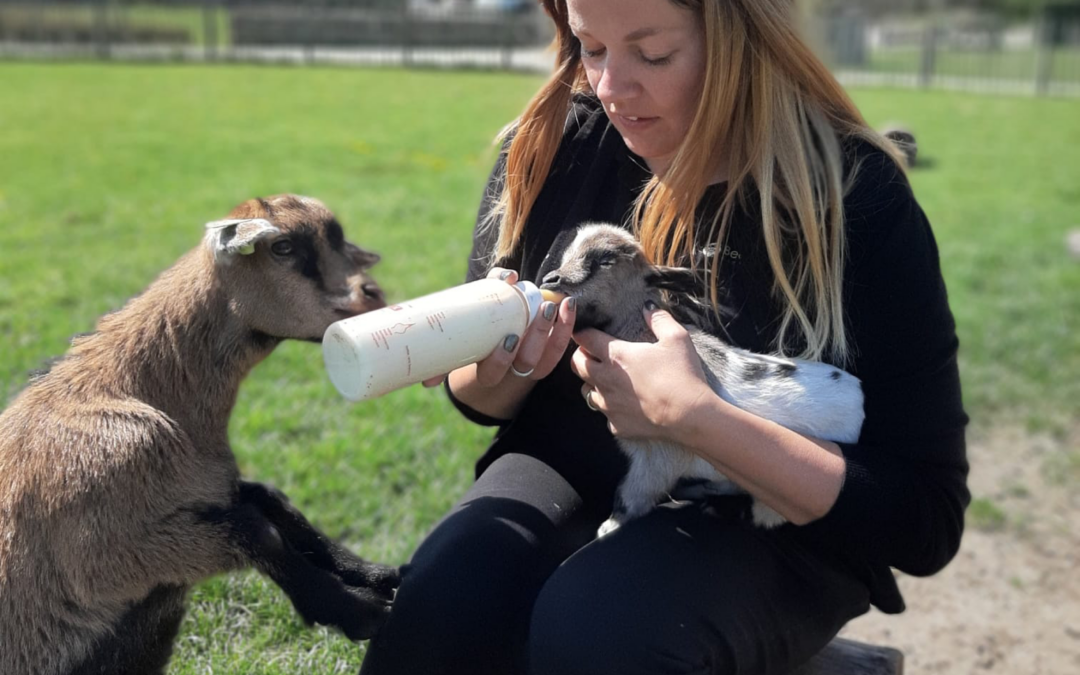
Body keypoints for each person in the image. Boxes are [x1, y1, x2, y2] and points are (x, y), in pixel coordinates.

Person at [359, 0, 969, 673]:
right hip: (574, 466)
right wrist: (505, 365)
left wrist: (699, 420)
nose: (612, 88)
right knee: (441, 608)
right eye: (591, 47)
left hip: (767, 519)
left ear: (742, 40)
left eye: (653, 54)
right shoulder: (551, 142)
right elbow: (477, 400)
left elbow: (923, 518)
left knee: (600, 629)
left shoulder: (856, 197)